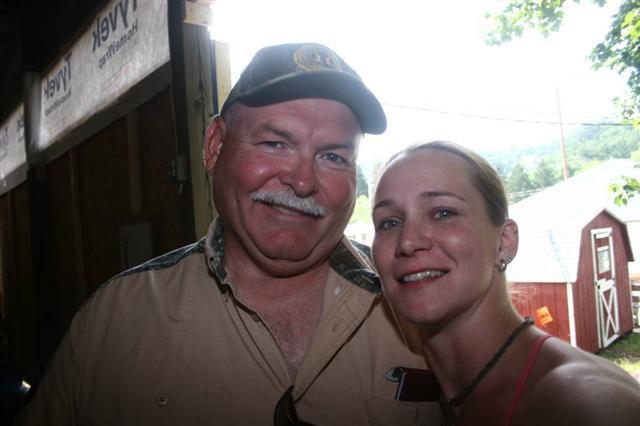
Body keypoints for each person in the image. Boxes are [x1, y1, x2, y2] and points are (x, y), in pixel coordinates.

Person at [17, 43, 443, 425]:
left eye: (332, 157)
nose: (302, 182)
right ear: (215, 147)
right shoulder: (115, 320)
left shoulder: (427, 309)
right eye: (275, 144)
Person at [371, 141, 640, 426]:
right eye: (389, 222)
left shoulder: (582, 402)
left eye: (443, 213)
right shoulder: (436, 395)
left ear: (505, 242)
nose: (408, 241)